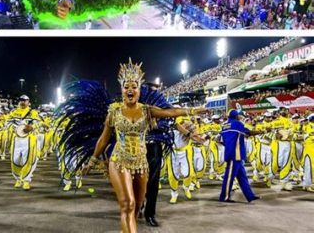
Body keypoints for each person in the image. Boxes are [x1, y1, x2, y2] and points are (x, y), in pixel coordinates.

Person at [82, 59, 204, 233]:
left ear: (139, 89)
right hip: (119, 161)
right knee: (127, 204)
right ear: (122, 89)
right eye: (126, 87)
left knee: (137, 205)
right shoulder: (114, 111)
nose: (130, 90)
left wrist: (191, 110)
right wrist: (92, 161)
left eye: (134, 87)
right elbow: (103, 138)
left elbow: (169, 112)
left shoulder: (147, 110)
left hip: (141, 163)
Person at [219, 109, 261, 203]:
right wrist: (260, 132)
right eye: (238, 115)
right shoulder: (237, 124)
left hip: (231, 153)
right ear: (236, 116)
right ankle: (224, 197)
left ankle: (250, 196)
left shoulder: (224, 125)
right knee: (229, 176)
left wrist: (229, 145)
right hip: (235, 154)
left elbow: (220, 140)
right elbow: (248, 133)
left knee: (242, 177)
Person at [8, 95, 40, 190]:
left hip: (29, 139)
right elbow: (8, 124)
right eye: (21, 100)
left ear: (28, 102)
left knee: (28, 160)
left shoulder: (33, 112)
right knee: (15, 160)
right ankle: (18, 178)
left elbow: (38, 123)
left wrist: (32, 127)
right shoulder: (13, 112)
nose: (23, 102)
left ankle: (26, 180)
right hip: (17, 139)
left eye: (25, 100)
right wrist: (14, 129)